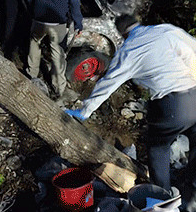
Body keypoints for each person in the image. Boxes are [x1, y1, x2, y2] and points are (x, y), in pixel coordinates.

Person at [66, 15, 196, 199]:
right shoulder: (166, 30)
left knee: (158, 147)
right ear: (138, 24)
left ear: (122, 34)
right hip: (194, 92)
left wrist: (84, 110)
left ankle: (162, 198)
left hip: (171, 104)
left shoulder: (129, 50)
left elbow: (108, 83)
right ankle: (193, 196)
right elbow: (192, 49)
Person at [24, 0, 83, 99]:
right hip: (57, 24)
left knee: (34, 45)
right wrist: (78, 24)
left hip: (38, 21)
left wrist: (31, 13)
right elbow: (75, 5)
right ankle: (58, 88)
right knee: (57, 55)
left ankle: (31, 75)